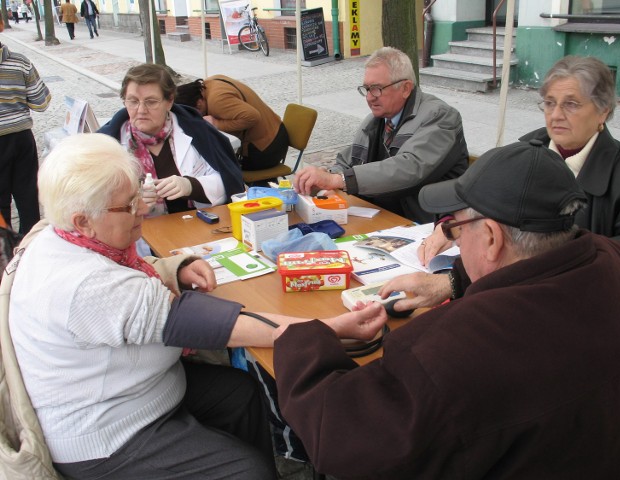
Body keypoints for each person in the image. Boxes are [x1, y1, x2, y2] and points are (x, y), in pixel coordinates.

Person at [5, 133, 387, 479]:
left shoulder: (58, 237)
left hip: (141, 391)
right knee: (245, 472)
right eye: (128, 205)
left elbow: (140, 277)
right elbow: (216, 325)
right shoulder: (88, 286)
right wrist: (329, 327)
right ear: (83, 220)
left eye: (138, 193)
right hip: (109, 434)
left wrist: (180, 264)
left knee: (241, 394)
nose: (142, 208)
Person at [273, 140, 620, 479]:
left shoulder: (459, 347)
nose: (456, 239)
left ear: (493, 237)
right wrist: (452, 281)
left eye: (457, 228)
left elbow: (337, 433)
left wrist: (306, 336)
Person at [418, 55, 620, 267]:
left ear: (603, 111)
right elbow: (474, 191)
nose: (556, 115)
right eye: (550, 103)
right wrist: (450, 223)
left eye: (571, 104)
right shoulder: (526, 153)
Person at [293, 46, 469, 223]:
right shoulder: (376, 120)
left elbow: (409, 168)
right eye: (366, 89)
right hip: (379, 214)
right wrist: (326, 175)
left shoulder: (440, 116)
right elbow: (349, 161)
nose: (369, 97)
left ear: (406, 88)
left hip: (426, 223)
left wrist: (338, 179)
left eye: (377, 88)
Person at [99, 64, 245, 219]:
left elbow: (230, 182)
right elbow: (95, 205)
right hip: (138, 236)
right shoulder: (107, 144)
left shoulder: (197, 131)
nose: (141, 110)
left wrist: (191, 186)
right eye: (133, 101)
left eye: (151, 101)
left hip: (196, 229)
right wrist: (132, 203)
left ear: (169, 101)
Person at [176, 76, 289, 171]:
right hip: (276, 132)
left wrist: (217, 124)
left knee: (223, 168)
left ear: (199, 103)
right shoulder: (209, 83)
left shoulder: (216, 101)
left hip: (267, 147)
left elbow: (253, 116)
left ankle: (260, 189)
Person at [0, 40, 51, 235]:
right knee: (28, 195)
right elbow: (41, 103)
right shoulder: (20, 62)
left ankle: (4, 250)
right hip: (21, 139)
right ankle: (30, 244)